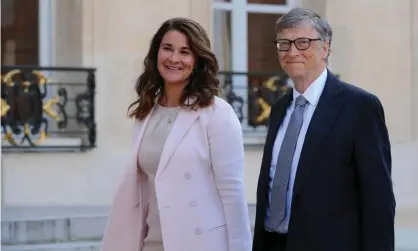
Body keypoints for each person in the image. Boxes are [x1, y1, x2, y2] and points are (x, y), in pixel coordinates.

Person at [101, 17, 252, 251]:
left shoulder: (217, 114)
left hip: (200, 243)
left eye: (185, 52)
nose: (174, 59)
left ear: (198, 60)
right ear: (156, 53)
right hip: (151, 244)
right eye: (167, 48)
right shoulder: (146, 112)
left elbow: (233, 193)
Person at [252, 7, 396, 251]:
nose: (292, 51)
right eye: (284, 44)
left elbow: (378, 201)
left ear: (325, 47)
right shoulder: (279, 109)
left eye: (303, 42)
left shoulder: (359, 107)